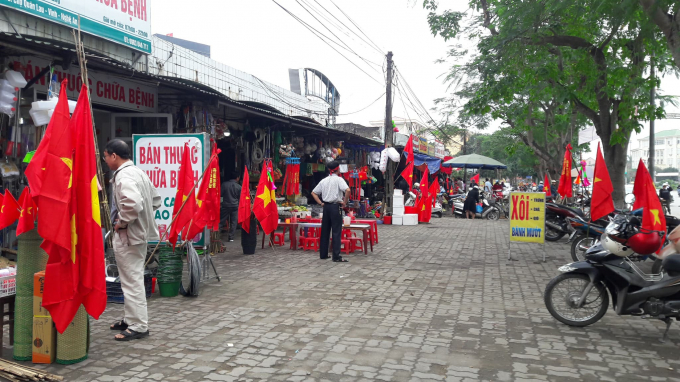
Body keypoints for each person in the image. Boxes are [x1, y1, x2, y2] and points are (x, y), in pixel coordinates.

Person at [104, 139, 161, 341]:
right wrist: (141, 220)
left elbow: (133, 204)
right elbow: (156, 200)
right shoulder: (137, 171)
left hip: (129, 235)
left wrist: (123, 222)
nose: (105, 160)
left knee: (132, 281)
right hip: (137, 234)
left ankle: (138, 325)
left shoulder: (125, 175)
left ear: (114, 156)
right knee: (130, 279)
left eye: (105, 156)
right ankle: (131, 319)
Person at [311, 161, 351, 262]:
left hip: (326, 207)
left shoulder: (324, 180)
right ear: (338, 169)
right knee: (336, 231)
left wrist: (321, 203)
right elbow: (348, 190)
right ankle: (336, 256)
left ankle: (323, 254)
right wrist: (344, 202)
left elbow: (313, 193)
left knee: (325, 231)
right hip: (335, 207)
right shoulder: (339, 179)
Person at [220, 172, 242, 242]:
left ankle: (216, 235)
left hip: (225, 205)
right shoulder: (239, 187)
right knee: (234, 222)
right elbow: (240, 197)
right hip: (235, 206)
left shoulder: (224, 185)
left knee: (221, 221)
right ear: (237, 178)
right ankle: (231, 237)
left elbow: (220, 194)